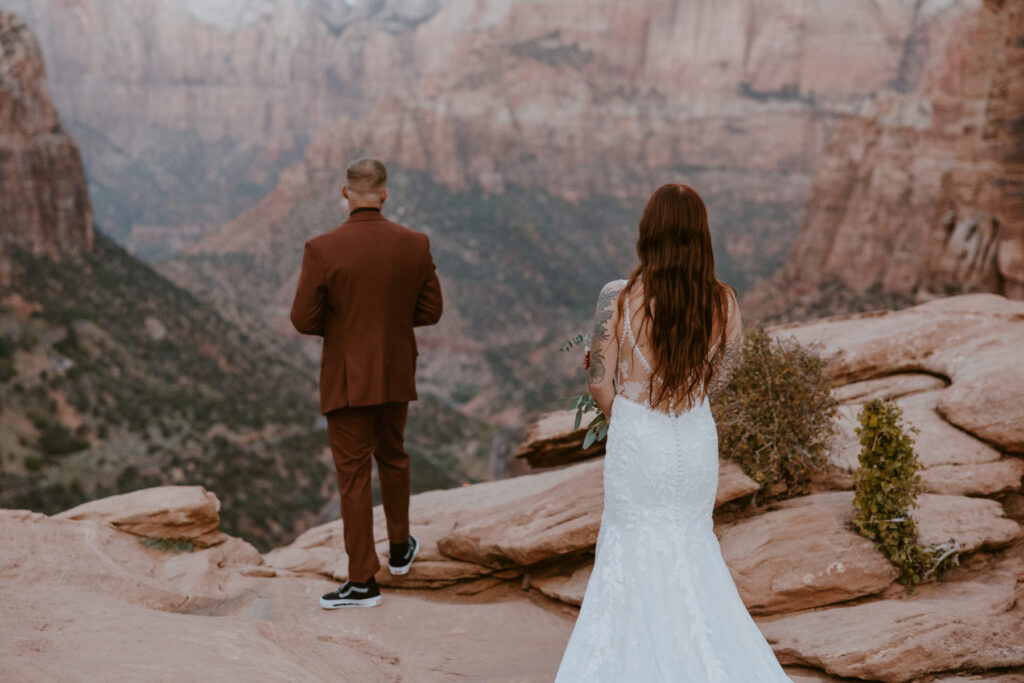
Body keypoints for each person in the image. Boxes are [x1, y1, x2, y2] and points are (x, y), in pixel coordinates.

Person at [555, 184, 793, 681]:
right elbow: (720, 379)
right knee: (693, 546)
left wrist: (633, 420)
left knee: (631, 548)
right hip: (694, 436)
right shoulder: (724, 302)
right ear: (700, 236)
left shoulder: (616, 298)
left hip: (639, 437)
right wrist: (681, 404)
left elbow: (600, 384)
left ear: (649, 233)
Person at [289, 157, 443, 608]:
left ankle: (362, 581)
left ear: (344, 193)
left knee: (353, 476)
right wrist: (391, 324)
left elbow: (302, 319)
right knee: (393, 456)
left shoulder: (322, 248)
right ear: (384, 194)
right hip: (396, 371)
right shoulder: (414, 244)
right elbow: (431, 311)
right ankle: (400, 549)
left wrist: (344, 330)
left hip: (346, 377)